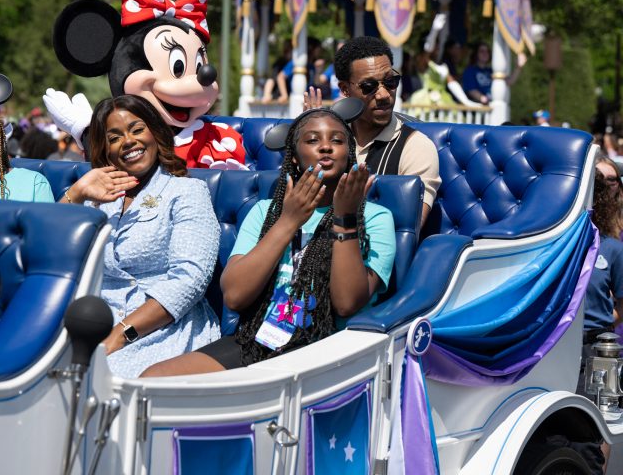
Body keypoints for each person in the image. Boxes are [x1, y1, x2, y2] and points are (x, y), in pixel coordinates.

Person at [141, 106, 395, 376]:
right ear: (295, 158)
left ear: (349, 153)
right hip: (259, 340)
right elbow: (235, 296)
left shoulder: (376, 218)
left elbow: (347, 303)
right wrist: (288, 222)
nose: (325, 148)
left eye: (337, 140)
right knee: (154, 378)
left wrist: (345, 218)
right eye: (312, 140)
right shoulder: (265, 211)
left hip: (327, 347)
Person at [60, 95, 221, 378]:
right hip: (95, 322)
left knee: (99, 377)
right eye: (115, 137)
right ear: (105, 149)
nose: (128, 142)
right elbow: (51, 253)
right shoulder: (96, 199)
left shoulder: (186, 192)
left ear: (156, 134)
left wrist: (119, 335)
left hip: (163, 327)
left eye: (137, 130)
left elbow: (189, 280)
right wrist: (76, 193)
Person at [334, 36, 441, 225]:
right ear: (345, 89)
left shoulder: (415, 147)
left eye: (390, 82)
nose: (384, 95)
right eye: (369, 86)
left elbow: (406, 230)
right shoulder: (329, 140)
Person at [576, 171, 623, 470]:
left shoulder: (613, 249)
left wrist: (603, 323)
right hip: (557, 347)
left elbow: (621, 302)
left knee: (598, 426)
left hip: (599, 347)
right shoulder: (564, 246)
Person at [461, 42, 526, 105]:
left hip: (493, 104)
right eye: (482, 51)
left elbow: (509, 81)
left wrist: (518, 67)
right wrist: (482, 98)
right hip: (481, 107)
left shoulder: (491, 71)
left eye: (487, 51)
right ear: (476, 54)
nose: (485, 53)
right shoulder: (470, 71)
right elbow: (471, 90)